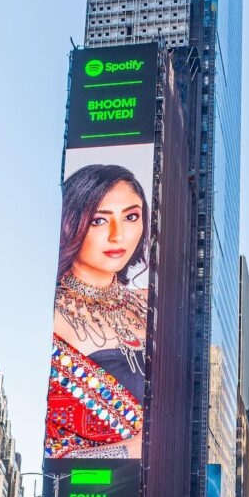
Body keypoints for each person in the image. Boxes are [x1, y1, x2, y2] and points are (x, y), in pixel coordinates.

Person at [46, 163, 149, 460]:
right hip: (90, 496)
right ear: (71, 224)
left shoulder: (154, 305)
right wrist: (130, 450)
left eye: (131, 216)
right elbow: (52, 458)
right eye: (99, 221)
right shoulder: (51, 317)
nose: (118, 235)